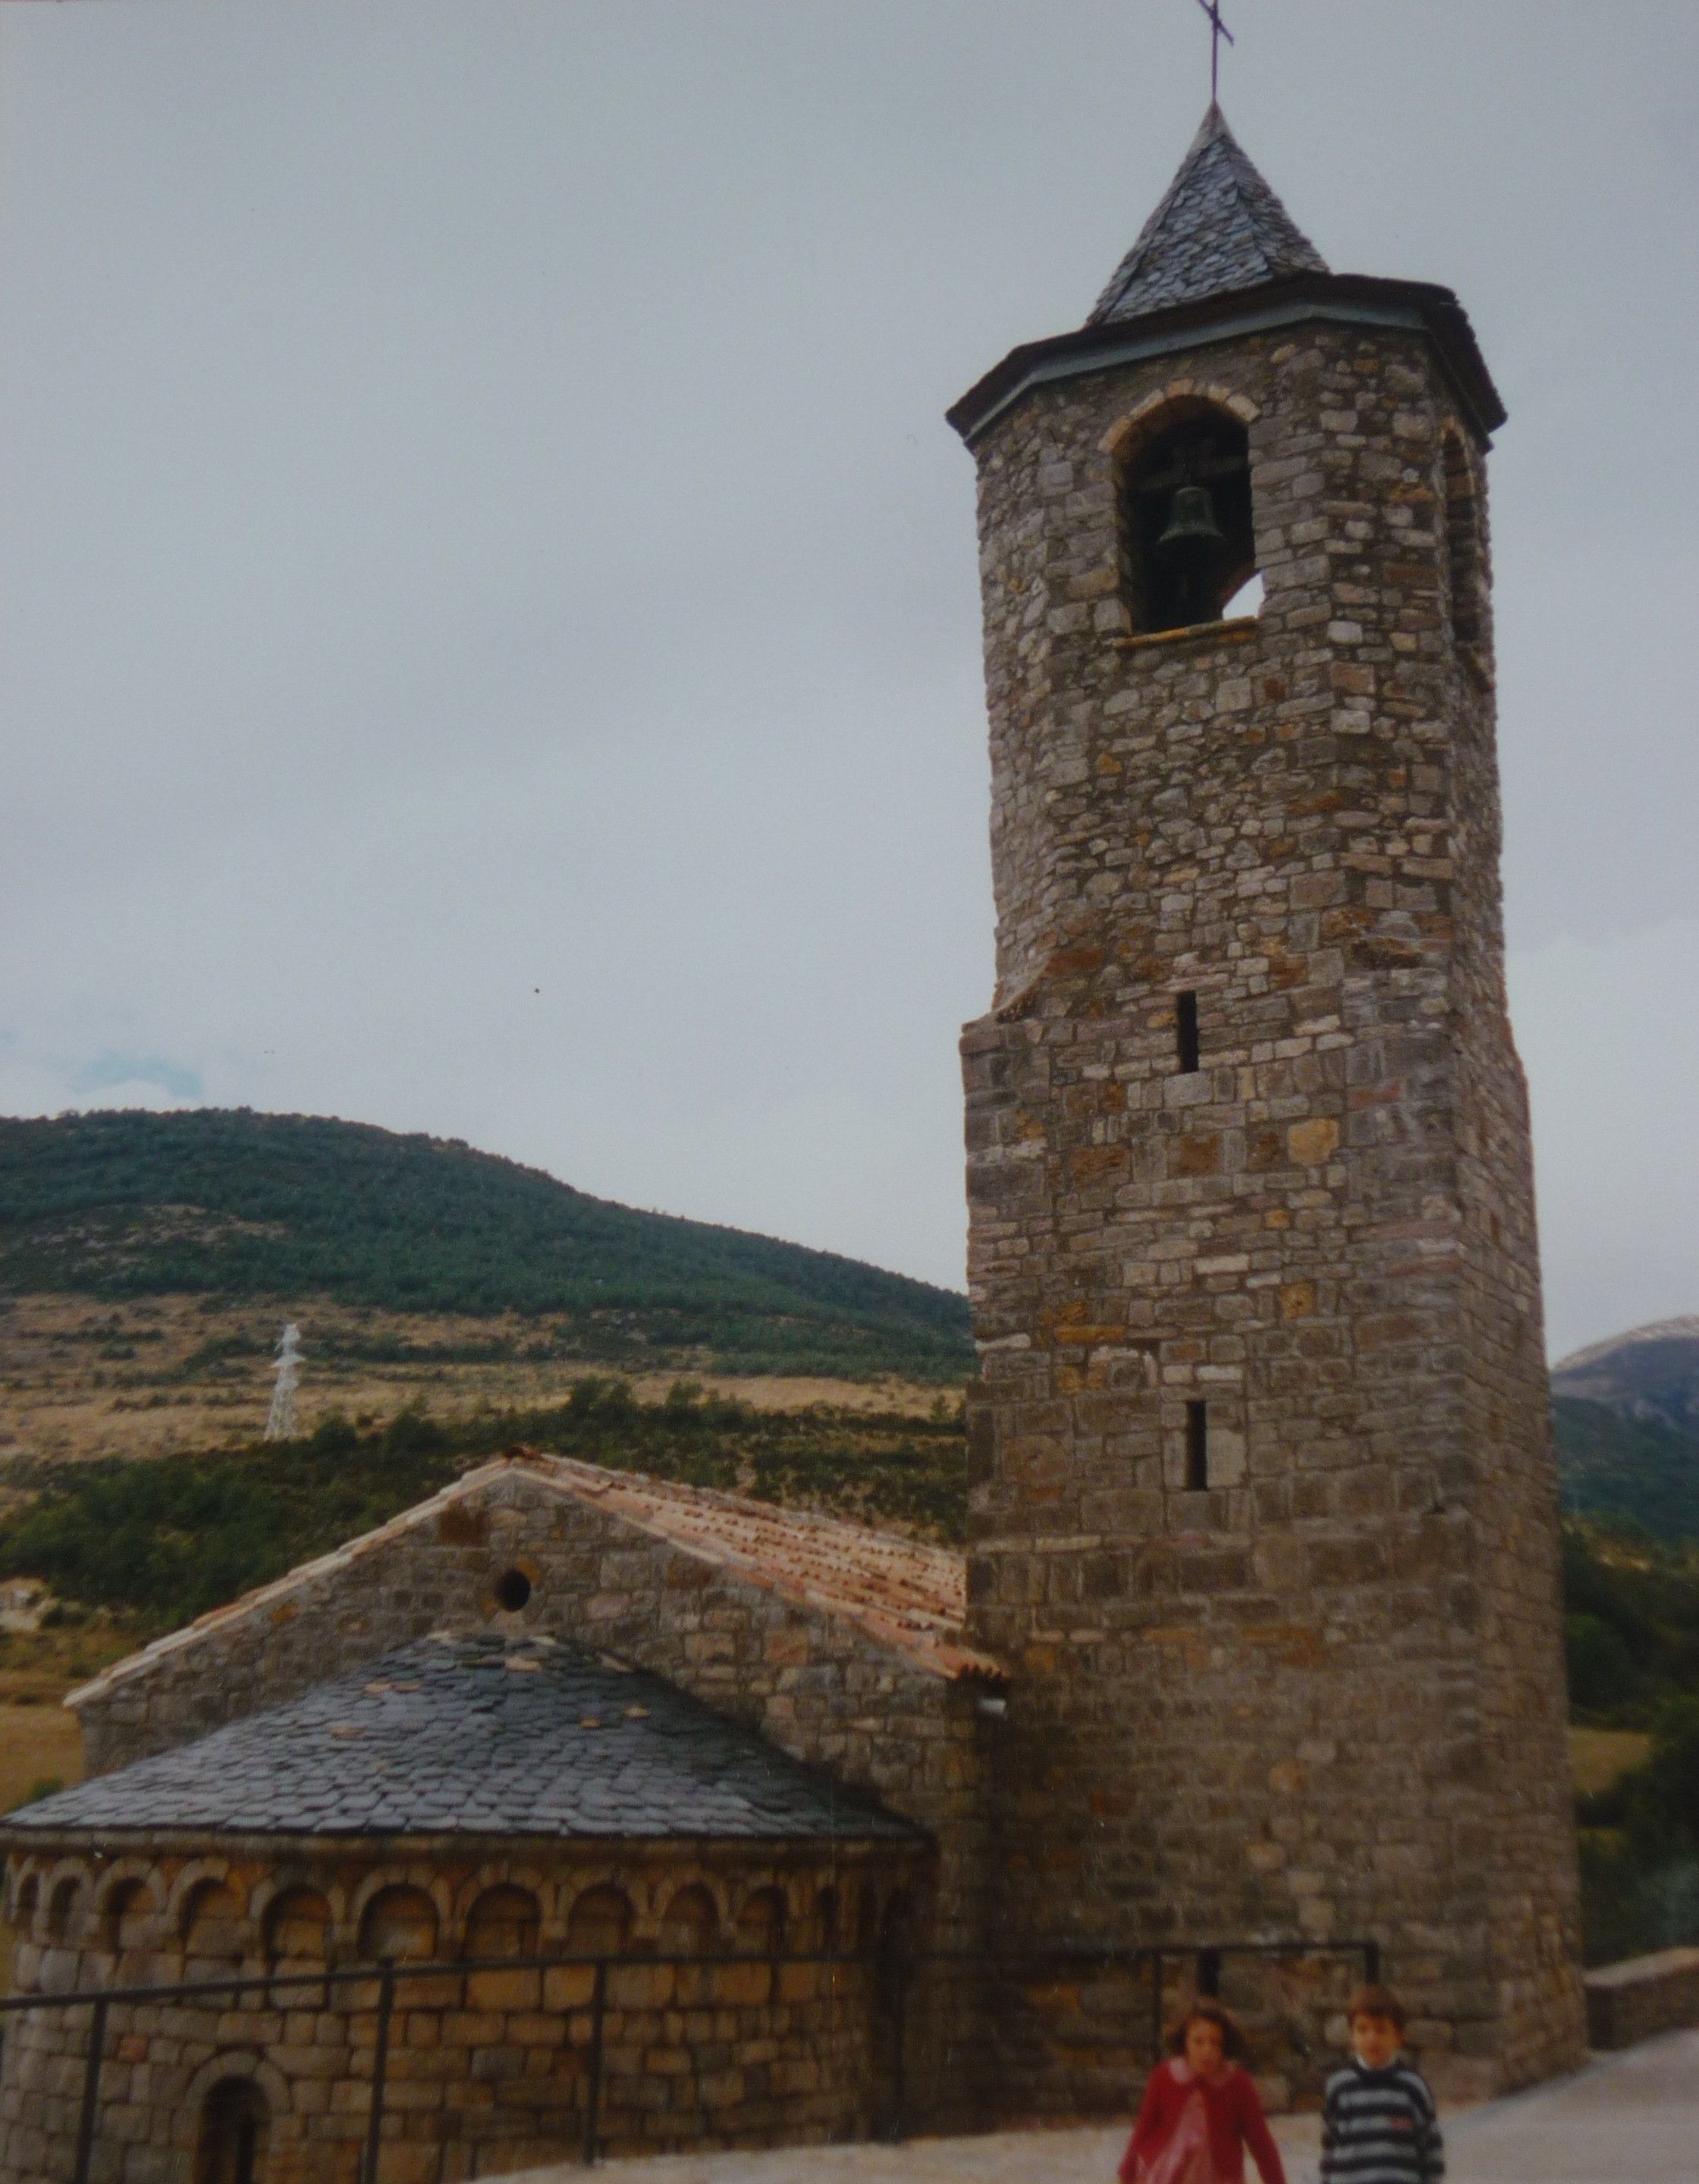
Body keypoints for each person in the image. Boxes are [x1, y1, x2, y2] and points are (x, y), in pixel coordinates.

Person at [1120, 2000, 1288, 2184]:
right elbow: (1144, 2126)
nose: (1207, 2050)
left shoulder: (1238, 2085)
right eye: (1198, 2042)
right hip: (1167, 2172)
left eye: (1215, 2043)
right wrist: (1127, 2173)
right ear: (1185, 2041)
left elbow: (1261, 2143)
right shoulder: (1165, 2076)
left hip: (1217, 2176)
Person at [1320, 1984, 1444, 2184]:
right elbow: (1330, 2146)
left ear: (1398, 2036)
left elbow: (1431, 2147)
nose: (1371, 2038)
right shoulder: (1339, 2086)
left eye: (1381, 2030)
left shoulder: (1412, 2087)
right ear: (1352, 2036)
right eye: (1362, 2029)